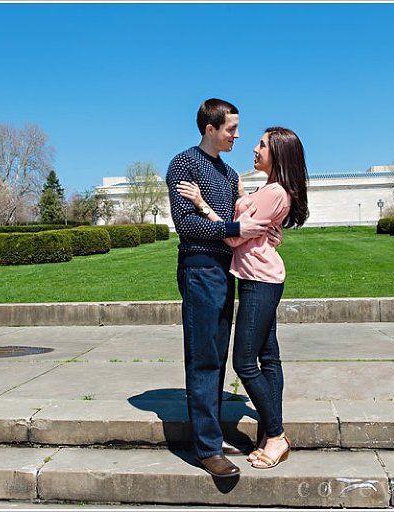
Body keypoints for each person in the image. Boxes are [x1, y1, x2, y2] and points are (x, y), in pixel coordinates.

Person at [177, 126, 309, 469]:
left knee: (245, 363)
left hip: (258, 280)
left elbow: (235, 239)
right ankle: (269, 434)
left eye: (262, 144)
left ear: (277, 153)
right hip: (262, 277)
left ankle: (276, 435)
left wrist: (203, 205)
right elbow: (250, 228)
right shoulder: (269, 189)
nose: (253, 146)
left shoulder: (273, 192)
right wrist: (240, 194)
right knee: (269, 356)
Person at [165, 98, 270, 478]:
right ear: (210, 128)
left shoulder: (227, 174)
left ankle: (209, 436)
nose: (237, 136)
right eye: (231, 129)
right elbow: (187, 225)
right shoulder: (184, 164)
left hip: (226, 270)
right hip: (199, 269)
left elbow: (228, 218)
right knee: (204, 357)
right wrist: (233, 229)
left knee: (218, 355)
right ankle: (207, 449)